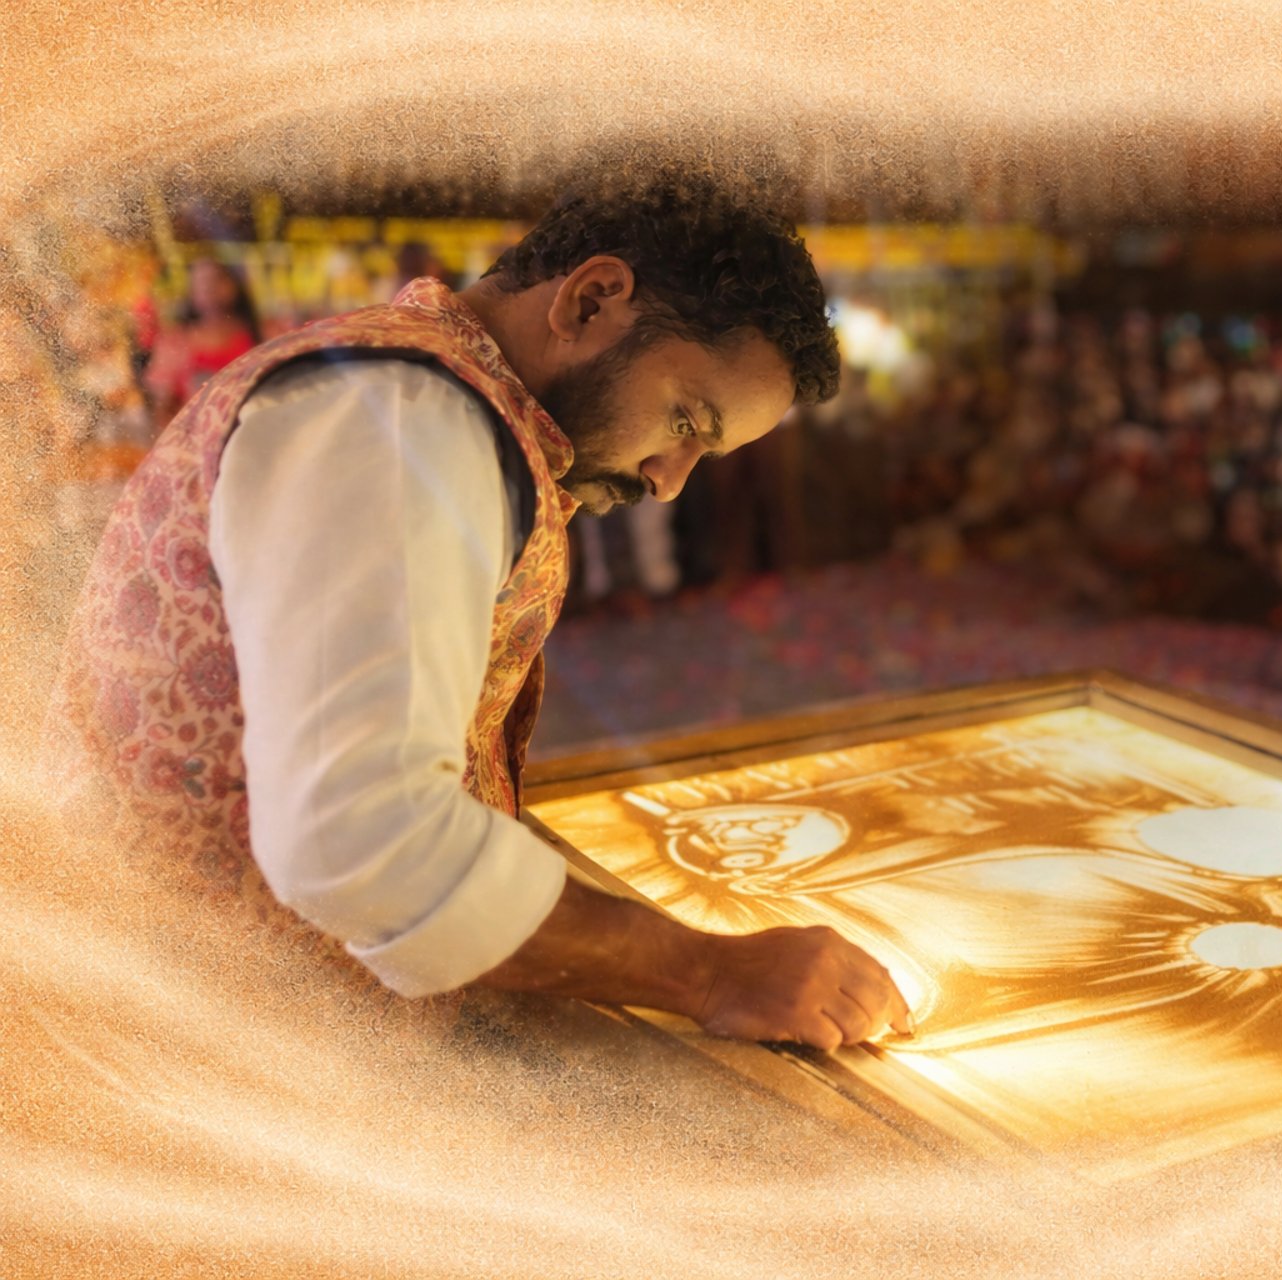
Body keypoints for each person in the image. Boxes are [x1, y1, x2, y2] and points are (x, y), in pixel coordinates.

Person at [50, 179, 910, 1052]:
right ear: (591, 300)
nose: (667, 479)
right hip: (187, 1045)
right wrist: (711, 972)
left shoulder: (423, 403)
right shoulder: (399, 420)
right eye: (683, 419)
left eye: (701, 452)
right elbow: (358, 837)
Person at [141, 257, 262, 424]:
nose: (209, 289)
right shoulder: (175, 342)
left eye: (217, 280)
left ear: (235, 285)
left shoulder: (262, 333)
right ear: (191, 292)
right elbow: (162, 408)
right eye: (202, 283)